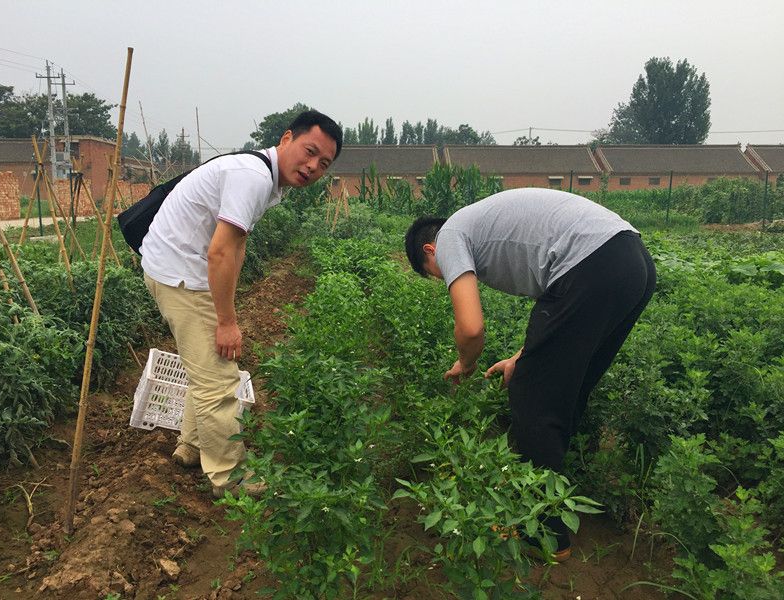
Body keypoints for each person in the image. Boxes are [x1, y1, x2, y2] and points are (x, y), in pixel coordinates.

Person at [404, 187, 656, 559]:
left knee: (532, 397)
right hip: (631, 263)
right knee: (567, 387)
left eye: (435, 274)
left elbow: (471, 328)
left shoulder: (451, 236)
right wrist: (523, 356)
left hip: (592, 264)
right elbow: (557, 306)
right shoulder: (486, 229)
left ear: (430, 251)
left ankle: (546, 535)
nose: (445, 279)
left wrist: (467, 363)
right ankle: (563, 492)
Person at [141, 110, 342, 497]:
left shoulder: (264, 177)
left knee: (204, 367)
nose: (313, 166)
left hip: (172, 267)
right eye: (309, 151)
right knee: (219, 380)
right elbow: (220, 253)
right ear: (287, 139)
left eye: (323, 164)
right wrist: (227, 320)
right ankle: (229, 477)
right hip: (184, 275)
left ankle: (193, 445)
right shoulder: (252, 177)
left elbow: (235, 243)